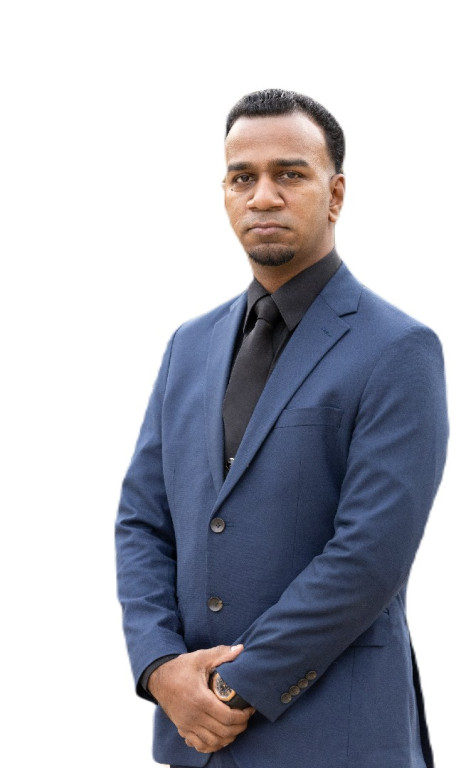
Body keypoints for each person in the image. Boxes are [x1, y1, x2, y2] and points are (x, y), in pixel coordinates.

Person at [115, 89, 448, 768]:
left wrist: (229, 689)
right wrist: (160, 669)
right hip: (194, 741)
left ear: (335, 194)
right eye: (242, 177)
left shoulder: (398, 349)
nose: (262, 196)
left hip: (338, 738)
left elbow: (369, 557)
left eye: (289, 174)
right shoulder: (188, 346)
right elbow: (143, 521)